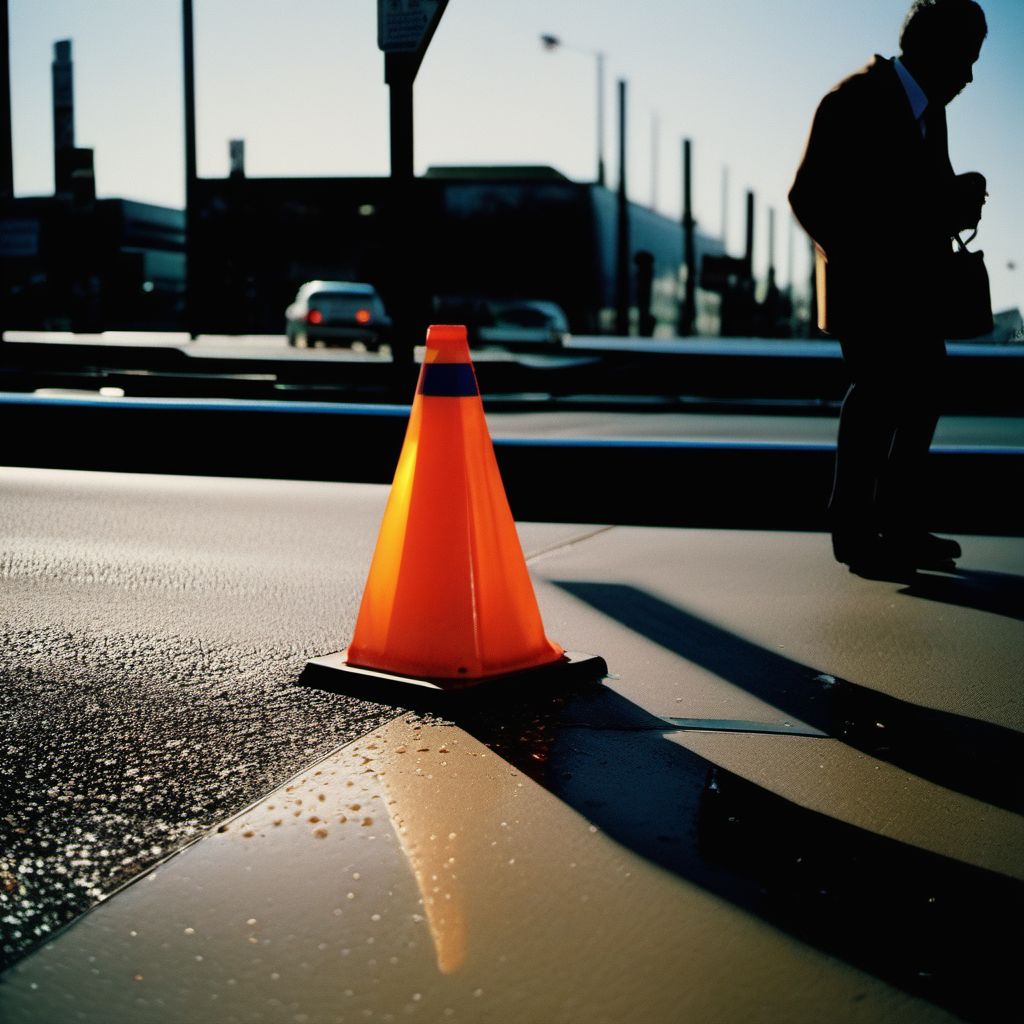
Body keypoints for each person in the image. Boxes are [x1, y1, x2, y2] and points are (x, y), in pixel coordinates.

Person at [789, 0, 988, 576]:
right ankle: (855, 533)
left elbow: (907, 197)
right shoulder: (856, 99)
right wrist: (873, 259)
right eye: (965, 60)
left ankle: (896, 525)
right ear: (933, 49)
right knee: (879, 394)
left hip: (911, 293)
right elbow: (810, 197)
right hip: (873, 292)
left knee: (919, 394)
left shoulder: (926, 108)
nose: (970, 76)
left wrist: (954, 198)